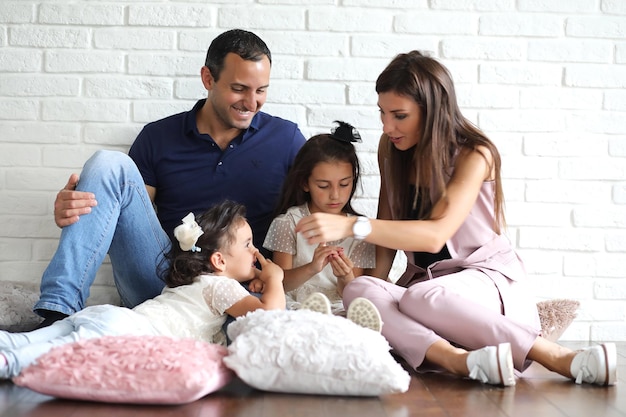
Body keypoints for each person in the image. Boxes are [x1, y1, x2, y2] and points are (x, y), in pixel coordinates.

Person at [293, 51, 616, 387]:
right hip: (427, 286)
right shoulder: (391, 150)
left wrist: (351, 225)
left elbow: (436, 235)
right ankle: (462, 361)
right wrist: (377, 288)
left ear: (431, 111)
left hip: (484, 278)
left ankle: (559, 357)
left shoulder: (476, 154)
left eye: (399, 115)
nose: (388, 127)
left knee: (420, 298)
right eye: (383, 114)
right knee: (359, 289)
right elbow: (386, 242)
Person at [33, 28, 306, 328]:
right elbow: (123, 211)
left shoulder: (286, 139)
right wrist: (81, 208)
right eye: (240, 88)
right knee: (107, 163)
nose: (252, 103)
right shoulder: (158, 137)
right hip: (163, 288)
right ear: (208, 78)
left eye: (261, 90)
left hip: (241, 293)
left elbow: (317, 206)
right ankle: (56, 314)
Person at [0, 201, 285, 379]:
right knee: (51, 355)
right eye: (247, 243)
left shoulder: (193, 282)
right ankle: (8, 364)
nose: (255, 250)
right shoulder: (222, 287)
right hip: (126, 333)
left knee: (24, 341)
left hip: (111, 317)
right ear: (219, 260)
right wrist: (276, 279)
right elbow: (269, 316)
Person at [261, 121, 375, 316]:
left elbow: (352, 293)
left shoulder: (359, 229)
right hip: (298, 305)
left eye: (344, 184)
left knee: (354, 311)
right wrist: (312, 268)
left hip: (340, 306)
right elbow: (280, 283)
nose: (335, 195)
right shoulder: (290, 222)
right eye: (323, 186)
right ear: (305, 183)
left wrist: (345, 276)